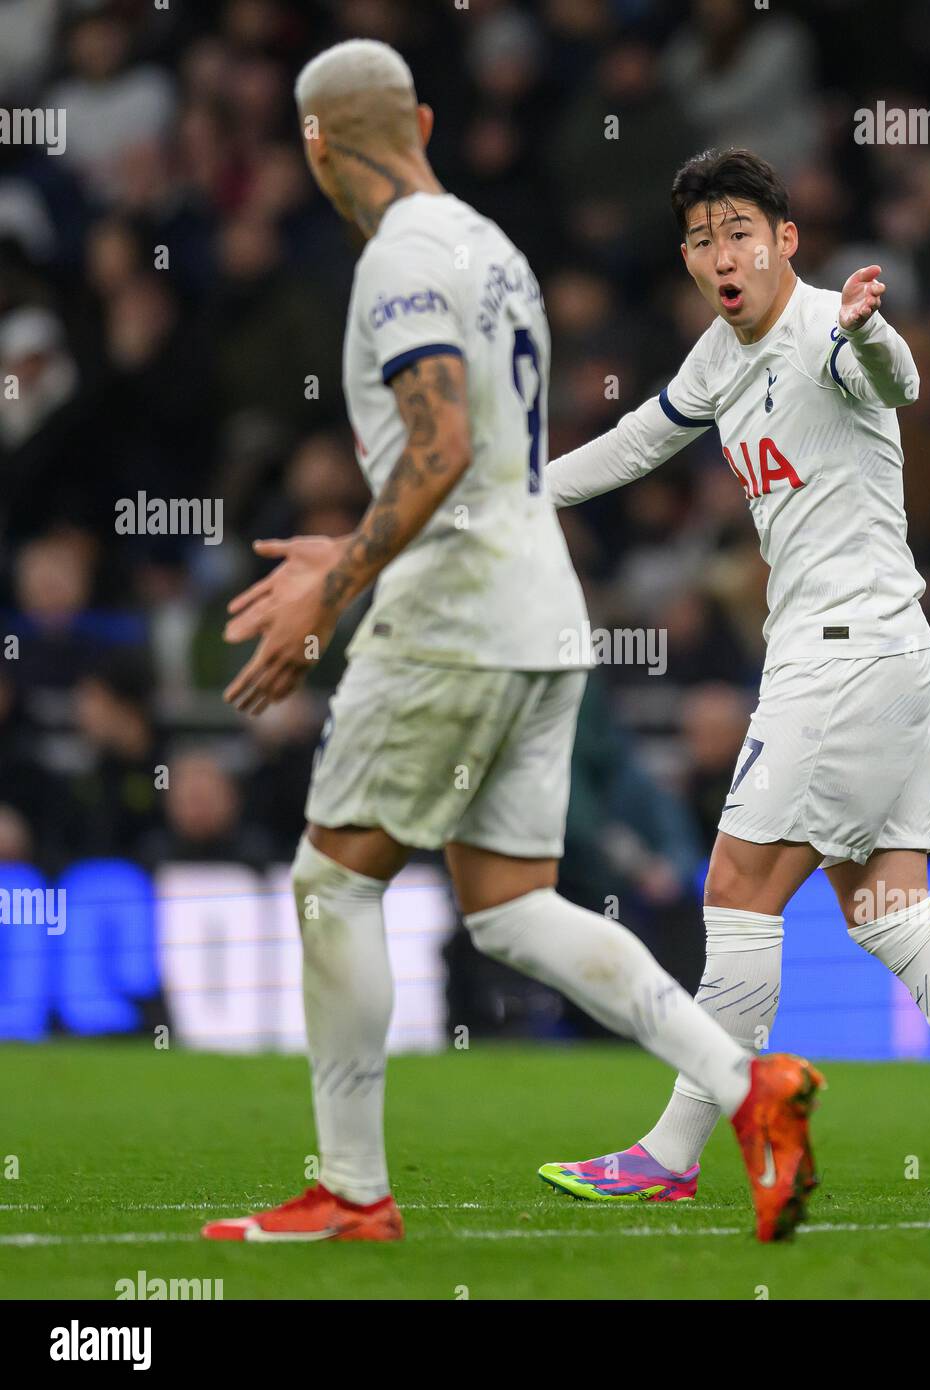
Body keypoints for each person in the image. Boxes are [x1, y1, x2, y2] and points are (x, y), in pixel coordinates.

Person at [202, 43, 820, 1246]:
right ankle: (751, 1089)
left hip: (452, 616)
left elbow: (434, 448)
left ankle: (352, 1190)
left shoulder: (398, 261)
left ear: (316, 144)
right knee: (507, 904)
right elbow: (477, 449)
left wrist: (336, 582)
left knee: (334, 880)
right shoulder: (492, 247)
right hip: (542, 606)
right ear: (424, 119)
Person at [538, 148, 930, 1207]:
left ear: (784, 239)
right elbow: (637, 440)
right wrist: (514, 497)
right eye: (700, 239)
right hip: (878, 652)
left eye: (739, 229)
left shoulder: (831, 326)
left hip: (842, 653)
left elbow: (893, 380)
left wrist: (866, 329)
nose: (720, 253)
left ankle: (670, 1153)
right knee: (887, 911)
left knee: (737, 888)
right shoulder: (716, 354)